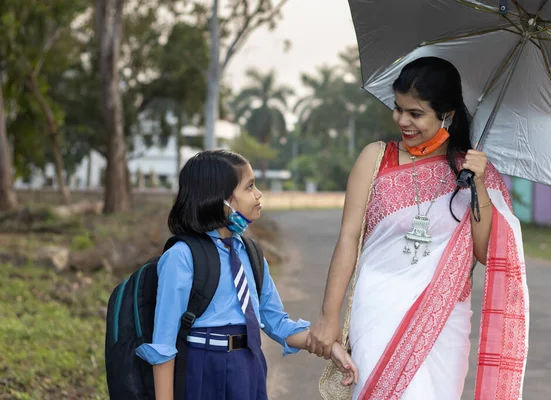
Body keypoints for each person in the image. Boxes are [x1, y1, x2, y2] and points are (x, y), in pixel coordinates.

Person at [310, 57, 529, 399]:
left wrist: (480, 185)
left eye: (415, 114)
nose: (402, 121)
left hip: (442, 324)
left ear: (448, 116)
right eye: (398, 109)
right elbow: (348, 239)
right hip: (377, 311)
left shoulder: (472, 173)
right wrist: (328, 316)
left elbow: (488, 253)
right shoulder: (376, 157)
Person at [135, 149, 358, 400]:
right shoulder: (182, 256)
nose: (259, 194)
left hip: (249, 367)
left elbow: (277, 323)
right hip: (202, 370)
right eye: (249, 187)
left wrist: (331, 348)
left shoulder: (251, 254)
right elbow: (163, 345)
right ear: (220, 199)